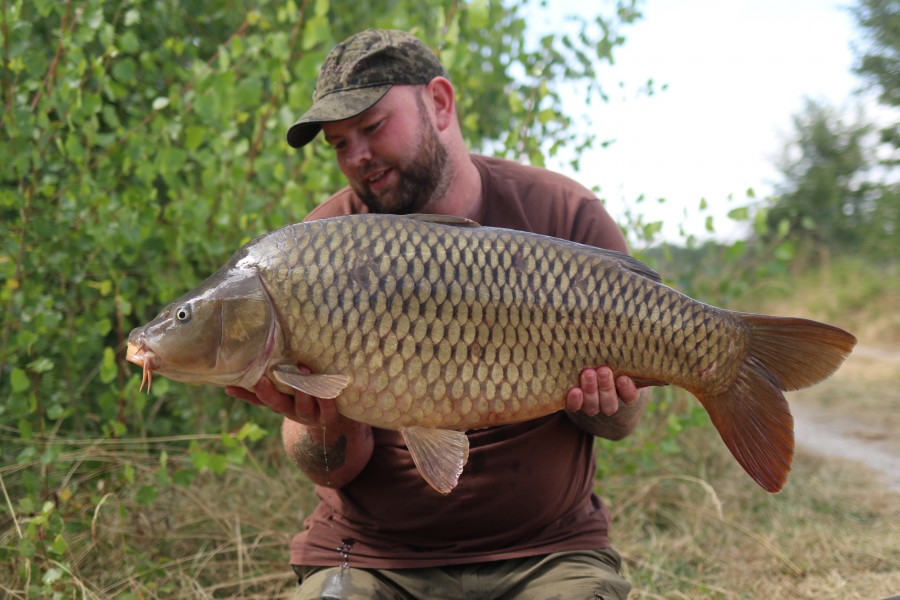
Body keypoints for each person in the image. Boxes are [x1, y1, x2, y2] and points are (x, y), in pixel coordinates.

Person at [226, 29, 651, 600]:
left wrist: (612, 403)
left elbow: (623, 424)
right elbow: (332, 469)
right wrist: (320, 420)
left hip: (547, 553)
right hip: (375, 559)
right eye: (338, 143)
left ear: (440, 103)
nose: (357, 157)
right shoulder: (314, 251)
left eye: (372, 127)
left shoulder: (563, 213)